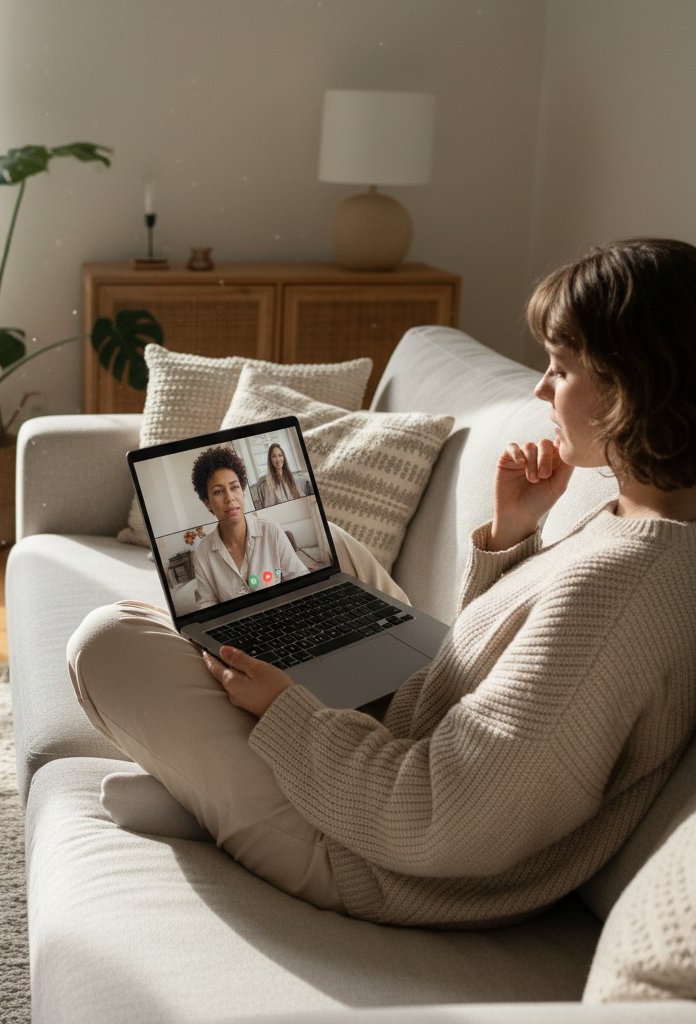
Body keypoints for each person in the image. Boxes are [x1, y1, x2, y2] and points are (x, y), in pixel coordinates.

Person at [68, 238, 696, 928]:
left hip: (374, 858)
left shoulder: (630, 587)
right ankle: (211, 778)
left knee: (109, 640)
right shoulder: (639, 518)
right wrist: (512, 536)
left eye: (561, 368)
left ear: (630, 385)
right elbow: (504, 664)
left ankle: (204, 791)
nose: (541, 389)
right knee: (328, 551)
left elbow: (443, 822)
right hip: (405, 737)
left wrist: (285, 711)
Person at [188, 445, 309, 609]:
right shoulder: (202, 553)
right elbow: (207, 605)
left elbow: (302, 582)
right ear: (207, 502)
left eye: (234, 487)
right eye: (218, 492)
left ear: (243, 491)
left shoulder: (271, 531)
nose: (230, 498)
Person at [254, 442, 313, 509]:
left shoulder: (290, 477)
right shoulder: (269, 482)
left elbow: (300, 496)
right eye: (274, 456)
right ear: (270, 460)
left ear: (283, 457)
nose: (278, 459)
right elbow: (269, 506)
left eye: (280, 455)